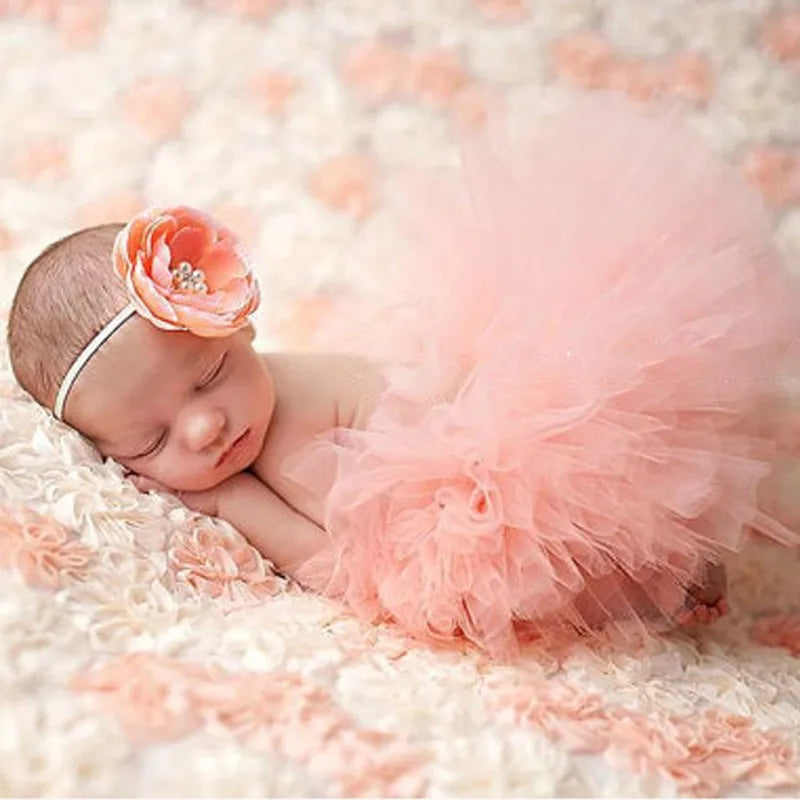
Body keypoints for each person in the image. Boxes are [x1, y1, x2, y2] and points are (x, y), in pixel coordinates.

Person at [6, 98, 798, 658]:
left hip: (490, 472)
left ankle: (675, 566)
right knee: (565, 579)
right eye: (151, 439)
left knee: (594, 526)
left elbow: (340, 564)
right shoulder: (233, 433)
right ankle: (671, 575)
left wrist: (226, 499)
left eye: (210, 374)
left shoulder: (293, 420)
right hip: (456, 517)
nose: (203, 426)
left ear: (238, 324)